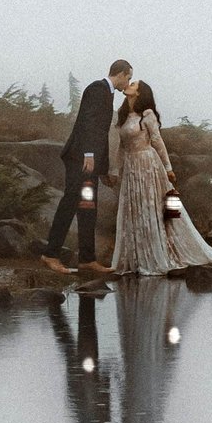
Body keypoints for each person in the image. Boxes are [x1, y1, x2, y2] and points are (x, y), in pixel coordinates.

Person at [107, 80, 212, 275]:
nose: (129, 85)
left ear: (140, 93)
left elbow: (157, 141)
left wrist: (168, 167)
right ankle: (136, 258)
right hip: (132, 168)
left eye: (133, 84)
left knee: (152, 207)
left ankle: (157, 255)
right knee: (135, 209)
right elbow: (121, 147)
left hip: (148, 165)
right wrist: (115, 170)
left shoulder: (147, 115)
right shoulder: (124, 116)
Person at [41, 59, 131, 274]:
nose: (128, 83)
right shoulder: (97, 88)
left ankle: (87, 259)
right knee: (70, 201)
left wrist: (102, 169)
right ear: (120, 73)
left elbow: (101, 134)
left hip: (90, 163)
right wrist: (88, 155)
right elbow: (88, 123)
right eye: (128, 78)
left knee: (88, 207)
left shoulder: (107, 94)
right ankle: (50, 255)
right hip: (79, 159)